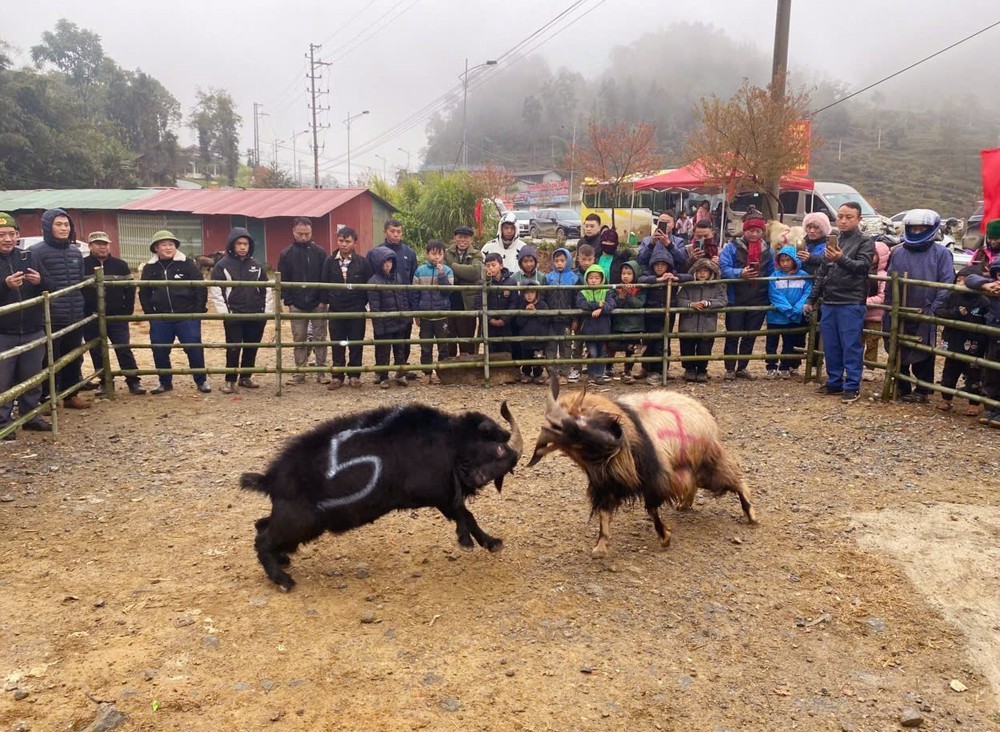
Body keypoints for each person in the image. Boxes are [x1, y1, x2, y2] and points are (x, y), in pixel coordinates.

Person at [804, 203, 875, 404]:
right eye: (841, 216)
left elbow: (862, 267)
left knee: (851, 344)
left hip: (851, 300)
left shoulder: (865, 242)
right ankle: (834, 381)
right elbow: (822, 272)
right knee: (831, 344)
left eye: (849, 217)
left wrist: (841, 258)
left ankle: (852, 385)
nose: (843, 221)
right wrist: (812, 299)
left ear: (859, 219)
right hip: (830, 300)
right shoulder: (833, 241)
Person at [883, 209, 954, 404]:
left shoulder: (942, 253)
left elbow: (946, 283)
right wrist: (889, 305)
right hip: (901, 306)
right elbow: (890, 280)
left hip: (926, 306)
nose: (916, 231)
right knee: (897, 345)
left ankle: (922, 390)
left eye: (921, 228)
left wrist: (934, 308)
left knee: (924, 348)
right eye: (913, 227)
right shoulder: (898, 252)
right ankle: (902, 385)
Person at [139, 230, 210, 394]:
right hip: (161, 316)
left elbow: (200, 287)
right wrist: (150, 313)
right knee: (160, 348)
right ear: (156, 247)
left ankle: (201, 381)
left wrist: (197, 311)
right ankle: (165, 382)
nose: (168, 247)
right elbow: (144, 292)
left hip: (186, 315)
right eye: (164, 244)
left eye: (171, 244)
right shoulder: (150, 268)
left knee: (193, 348)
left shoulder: (187, 264)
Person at [0, 212, 52, 438]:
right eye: (1, 235)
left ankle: (31, 416)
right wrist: (4, 286)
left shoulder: (28, 257)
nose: (7, 239)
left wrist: (41, 281)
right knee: (3, 379)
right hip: (3, 331)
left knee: (32, 376)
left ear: (18, 235)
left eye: (12, 234)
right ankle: (3, 421)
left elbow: (52, 284)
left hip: (32, 327)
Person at [32, 208, 90, 408]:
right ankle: (47, 398)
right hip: (50, 315)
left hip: (74, 312)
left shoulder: (75, 251)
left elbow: (80, 281)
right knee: (49, 358)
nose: (64, 228)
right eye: (59, 224)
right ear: (48, 227)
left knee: (74, 356)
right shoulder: (36, 252)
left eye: (66, 224)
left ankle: (71, 394)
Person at [209, 227, 273, 394]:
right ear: (232, 245)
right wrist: (225, 313)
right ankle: (230, 380)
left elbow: (267, 290)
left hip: (255, 314)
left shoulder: (256, 266)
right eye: (239, 243)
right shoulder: (221, 266)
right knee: (233, 347)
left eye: (245, 244)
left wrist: (265, 312)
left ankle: (246, 376)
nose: (243, 247)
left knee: (251, 346)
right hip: (234, 314)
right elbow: (216, 292)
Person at [82, 231, 145, 396]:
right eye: (98, 244)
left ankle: (133, 381)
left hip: (116, 316)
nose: (102, 247)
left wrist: (127, 310)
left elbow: (130, 288)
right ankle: (104, 381)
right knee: (97, 350)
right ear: (90, 246)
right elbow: (78, 291)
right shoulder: (82, 265)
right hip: (91, 316)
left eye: (105, 244)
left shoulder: (120, 265)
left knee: (123, 347)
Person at [720, 214, 774, 380]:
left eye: (758, 231)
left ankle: (742, 366)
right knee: (733, 334)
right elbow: (724, 267)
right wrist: (740, 273)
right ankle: (730, 367)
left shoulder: (767, 249)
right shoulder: (732, 247)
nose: (754, 234)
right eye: (751, 230)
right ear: (745, 230)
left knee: (750, 335)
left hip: (759, 296)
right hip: (736, 295)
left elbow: (772, 272)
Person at [278, 217, 330, 384]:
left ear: (311, 232)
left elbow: (325, 277)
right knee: (298, 338)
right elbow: (283, 280)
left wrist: (323, 299)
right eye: (300, 233)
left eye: (307, 233)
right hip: (297, 304)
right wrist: (289, 301)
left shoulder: (320, 252)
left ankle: (321, 372)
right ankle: (299, 372)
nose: (303, 237)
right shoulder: (286, 254)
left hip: (317, 303)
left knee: (320, 338)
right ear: (293, 231)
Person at [934, 266, 990, 416]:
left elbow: (987, 321)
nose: (960, 283)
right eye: (958, 280)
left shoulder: (983, 300)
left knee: (974, 373)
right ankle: (946, 398)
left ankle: (973, 402)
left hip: (974, 342)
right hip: (954, 339)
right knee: (950, 370)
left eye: (964, 281)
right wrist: (955, 314)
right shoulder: (952, 296)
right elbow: (939, 310)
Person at [368, 218, 419, 379]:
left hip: (404, 301)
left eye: (399, 232)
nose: (396, 234)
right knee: (383, 339)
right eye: (392, 231)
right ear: (385, 232)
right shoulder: (376, 252)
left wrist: (412, 304)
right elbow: (370, 276)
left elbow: (413, 277)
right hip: (383, 302)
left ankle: (401, 369)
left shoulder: (409, 252)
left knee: (404, 338)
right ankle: (381, 371)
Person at [322, 226, 371, 390]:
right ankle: (337, 375)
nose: (343, 244)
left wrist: (362, 304)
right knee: (338, 343)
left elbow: (367, 285)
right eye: (341, 241)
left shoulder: (362, 262)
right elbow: (324, 283)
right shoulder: (330, 261)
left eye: (347, 241)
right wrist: (326, 301)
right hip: (336, 309)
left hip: (356, 309)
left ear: (354, 243)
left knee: (356, 342)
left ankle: (355, 375)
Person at [676, 257, 727, 383]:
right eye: (699, 271)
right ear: (694, 272)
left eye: (705, 271)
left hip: (707, 325)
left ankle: (702, 370)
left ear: (711, 273)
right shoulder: (688, 286)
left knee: (704, 348)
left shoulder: (716, 287)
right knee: (687, 347)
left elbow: (723, 300)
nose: (702, 273)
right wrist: (690, 304)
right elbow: (679, 300)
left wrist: (708, 303)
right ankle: (689, 370)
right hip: (688, 324)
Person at [410, 239, 454, 384]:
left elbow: (448, 292)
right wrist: (416, 312)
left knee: (443, 345)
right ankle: (427, 372)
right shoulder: (420, 271)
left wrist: (441, 275)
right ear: (427, 254)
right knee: (426, 346)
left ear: (444, 255)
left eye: (439, 254)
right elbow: (415, 294)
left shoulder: (448, 271)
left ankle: (442, 373)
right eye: (433, 254)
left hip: (441, 314)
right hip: (425, 315)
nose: (436, 257)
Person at [765, 245, 812, 379]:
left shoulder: (804, 276)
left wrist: (798, 308)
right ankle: (771, 366)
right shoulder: (774, 276)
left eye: (788, 260)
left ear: (794, 260)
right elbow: (774, 295)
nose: (785, 264)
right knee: (771, 342)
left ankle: (785, 366)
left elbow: (807, 293)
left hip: (793, 317)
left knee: (789, 342)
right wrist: (789, 310)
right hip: (776, 317)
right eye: (782, 261)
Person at [366, 247, 411, 389]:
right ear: (378, 263)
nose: (388, 265)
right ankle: (383, 376)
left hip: (399, 320)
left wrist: (406, 317)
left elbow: (403, 298)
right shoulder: (373, 281)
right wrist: (378, 326)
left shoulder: (398, 277)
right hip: (384, 323)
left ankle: (401, 373)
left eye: (390, 261)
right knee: (383, 351)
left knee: (400, 349)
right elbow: (374, 307)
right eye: (384, 262)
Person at [965, 257, 1000, 427]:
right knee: (992, 373)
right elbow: (970, 279)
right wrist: (985, 285)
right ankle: (992, 408)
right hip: (994, 337)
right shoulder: (993, 285)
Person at [638, 248, 679, 385]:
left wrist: (675, 278)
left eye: (663, 264)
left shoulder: (672, 274)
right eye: (657, 264)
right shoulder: (648, 275)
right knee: (649, 341)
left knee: (663, 342)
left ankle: (660, 370)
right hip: (651, 314)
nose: (660, 266)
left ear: (668, 265)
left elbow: (689, 276)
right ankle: (646, 367)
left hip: (667, 313)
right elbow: (641, 279)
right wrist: (657, 279)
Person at [444, 225, 483, 355]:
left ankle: (467, 368)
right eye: (460, 237)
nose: (462, 240)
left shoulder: (477, 254)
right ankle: (450, 367)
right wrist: (462, 272)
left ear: (471, 239)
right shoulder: (446, 253)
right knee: (449, 335)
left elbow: (474, 273)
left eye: (466, 237)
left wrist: (453, 266)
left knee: (467, 337)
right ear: (454, 238)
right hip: (449, 300)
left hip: (468, 302)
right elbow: (444, 273)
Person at [544, 247, 579, 385]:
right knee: (550, 347)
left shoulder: (574, 279)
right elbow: (544, 298)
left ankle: (564, 373)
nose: (559, 263)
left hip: (566, 319)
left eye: (562, 260)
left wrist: (575, 318)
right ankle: (552, 374)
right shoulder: (548, 278)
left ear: (568, 261)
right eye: (556, 260)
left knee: (566, 347)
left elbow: (576, 300)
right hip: (551, 319)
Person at [576, 264, 616, 384]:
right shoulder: (583, 292)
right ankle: (591, 374)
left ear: (602, 279)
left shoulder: (606, 291)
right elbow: (581, 304)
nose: (593, 281)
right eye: (591, 278)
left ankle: (599, 374)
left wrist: (601, 309)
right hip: (589, 329)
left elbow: (611, 304)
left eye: (597, 278)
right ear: (586, 279)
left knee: (602, 353)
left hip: (603, 329)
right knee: (592, 352)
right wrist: (597, 305)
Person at [608, 260, 645, 383]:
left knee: (631, 350)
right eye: (623, 273)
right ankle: (608, 367)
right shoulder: (615, 288)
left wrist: (628, 295)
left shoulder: (640, 289)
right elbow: (614, 304)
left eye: (629, 273)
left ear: (634, 275)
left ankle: (627, 370)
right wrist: (621, 295)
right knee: (611, 344)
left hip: (634, 325)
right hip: (618, 323)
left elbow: (639, 304)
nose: (626, 276)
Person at [861, 237, 891, 381]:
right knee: (857, 341)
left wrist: (862, 301)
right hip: (859, 313)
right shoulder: (860, 272)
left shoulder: (883, 276)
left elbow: (882, 296)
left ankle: (869, 367)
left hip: (875, 316)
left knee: (872, 342)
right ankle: (856, 365)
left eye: (873, 254)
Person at [478, 252, 519, 356]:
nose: (490, 268)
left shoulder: (511, 281)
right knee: (490, 349)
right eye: (487, 266)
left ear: (501, 265)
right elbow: (479, 302)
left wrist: (505, 319)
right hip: (489, 324)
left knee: (506, 349)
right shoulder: (483, 282)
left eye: (493, 265)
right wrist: (489, 319)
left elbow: (514, 302)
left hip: (506, 324)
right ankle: (491, 372)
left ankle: (507, 371)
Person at [568, 243, 597, 381]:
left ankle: (592, 369)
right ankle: (576, 368)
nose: (586, 263)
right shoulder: (574, 276)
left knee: (592, 341)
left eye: (589, 259)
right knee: (578, 342)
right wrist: (574, 317)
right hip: (579, 313)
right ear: (578, 258)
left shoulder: (598, 274)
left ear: (594, 259)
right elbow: (573, 297)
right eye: (583, 259)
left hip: (594, 314)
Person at [513, 283, 550, 384]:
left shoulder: (542, 305)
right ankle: (527, 374)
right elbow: (518, 322)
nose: (529, 295)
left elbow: (546, 320)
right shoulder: (521, 305)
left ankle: (538, 374)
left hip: (539, 337)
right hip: (525, 338)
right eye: (527, 293)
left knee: (539, 358)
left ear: (537, 293)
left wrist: (536, 312)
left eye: (532, 292)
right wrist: (525, 313)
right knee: (526, 356)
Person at [637, 211, 688, 276]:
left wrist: (670, 245)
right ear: (657, 223)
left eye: (668, 222)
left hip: (671, 276)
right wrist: (651, 244)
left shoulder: (679, 241)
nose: (665, 224)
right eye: (662, 221)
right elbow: (640, 260)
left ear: (673, 225)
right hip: (650, 277)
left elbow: (682, 260)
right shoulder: (647, 240)